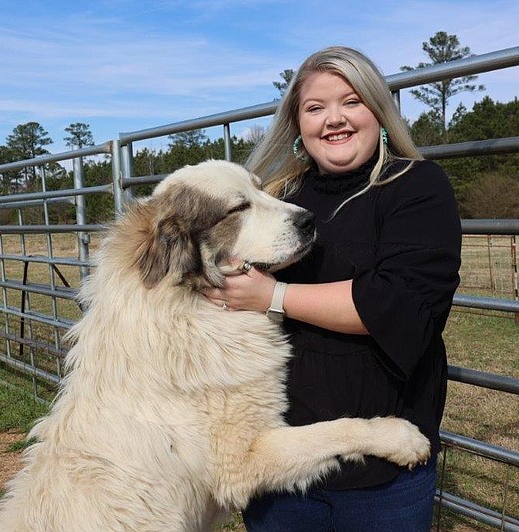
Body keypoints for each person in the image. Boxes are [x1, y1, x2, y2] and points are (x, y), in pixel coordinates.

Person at [204, 46, 462, 531]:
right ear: (297, 125)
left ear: (379, 112)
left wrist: (272, 296)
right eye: (315, 108)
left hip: (381, 470)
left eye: (351, 102)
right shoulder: (277, 199)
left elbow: (398, 304)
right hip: (283, 457)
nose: (334, 120)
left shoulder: (418, 187)